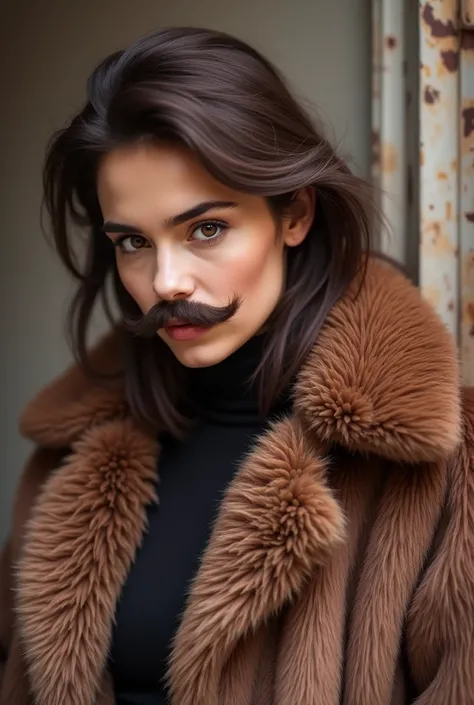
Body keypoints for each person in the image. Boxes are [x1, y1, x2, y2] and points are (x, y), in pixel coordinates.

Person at [0, 26, 472, 705]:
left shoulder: (445, 472)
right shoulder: (64, 456)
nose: (166, 281)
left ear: (294, 214)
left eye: (206, 229)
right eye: (132, 241)